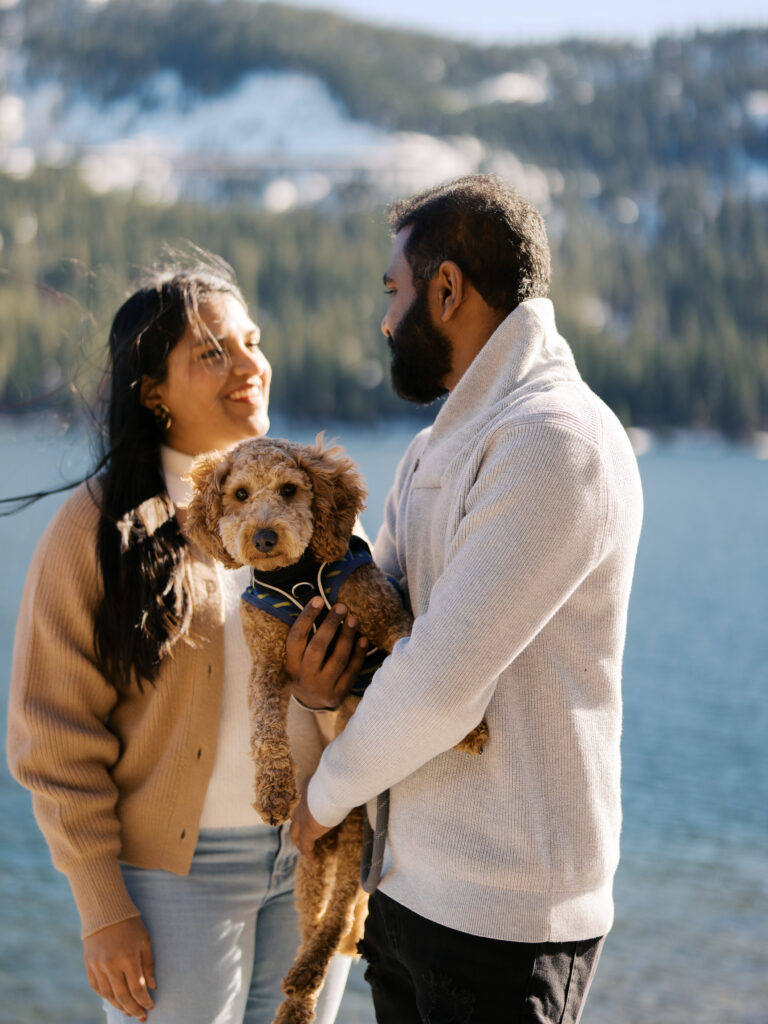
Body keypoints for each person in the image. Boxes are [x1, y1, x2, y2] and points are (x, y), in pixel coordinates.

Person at [288, 175, 644, 1023]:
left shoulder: (556, 442)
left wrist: (323, 797)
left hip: (506, 923)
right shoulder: (436, 450)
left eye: (395, 291)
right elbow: (387, 638)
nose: (385, 320)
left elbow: (442, 682)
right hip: (410, 893)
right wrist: (313, 675)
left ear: (447, 289)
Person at [6, 256, 359, 1024]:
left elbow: (372, 683)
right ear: (152, 390)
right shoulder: (97, 531)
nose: (248, 366)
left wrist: (324, 705)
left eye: (251, 342)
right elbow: (52, 739)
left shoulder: (312, 504)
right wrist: (104, 909)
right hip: (174, 881)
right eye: (213, 352)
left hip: (313, 855)